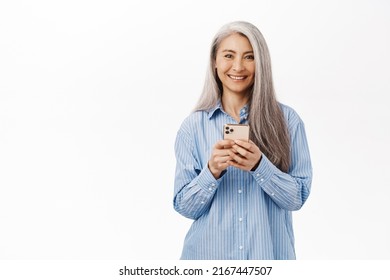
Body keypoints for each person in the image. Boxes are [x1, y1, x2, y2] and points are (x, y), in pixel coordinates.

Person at [173, 21, 312, 260]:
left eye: (249, 57)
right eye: (229, 55)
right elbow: (184, 207)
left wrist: (260, 166)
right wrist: (211, 171)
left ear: (261, 64)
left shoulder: (288, 122)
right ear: (215, 62)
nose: (238, 66)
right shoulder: (193, 127)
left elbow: (297, 198)